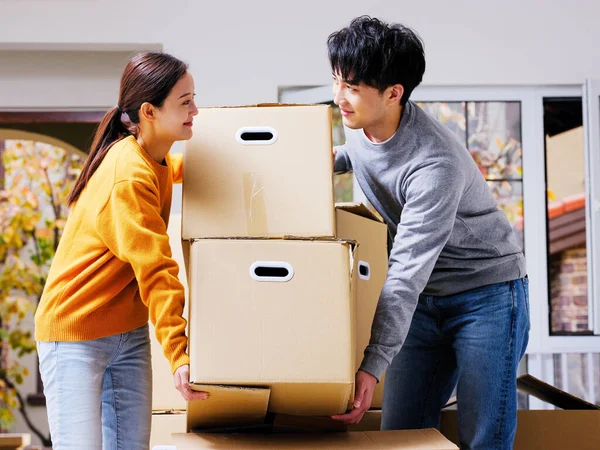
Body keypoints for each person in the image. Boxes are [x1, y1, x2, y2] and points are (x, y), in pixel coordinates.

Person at [328, 17, 529, 450]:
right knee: (401, 437)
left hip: (486, 294)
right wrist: (323, 159)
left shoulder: (435, 163)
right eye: (336, 80)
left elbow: (404, 271)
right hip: (424, 298)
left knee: (485, 439)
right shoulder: (362, 124)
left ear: (393, 93)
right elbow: (363, 156)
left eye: (352, 86)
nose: (339, 96)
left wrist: (371, 364)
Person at [34, 51, 207, 449]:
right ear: (150, 111)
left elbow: (173, 170)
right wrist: (179, 355)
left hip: (126, 332)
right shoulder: (127, 176)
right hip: (76, 332)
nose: (195, 110)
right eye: (185, 102)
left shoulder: (152, 158)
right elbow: (157, 270)